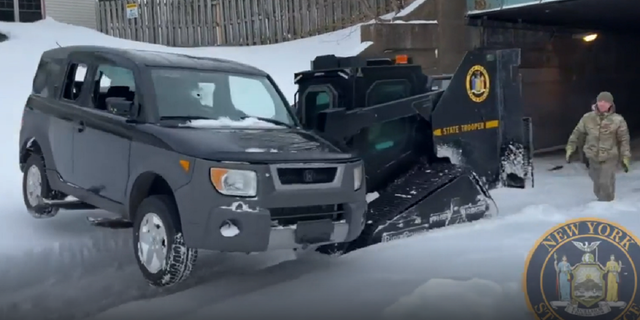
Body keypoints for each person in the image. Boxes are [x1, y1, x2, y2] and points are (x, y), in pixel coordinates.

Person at [565, 92, 631, 201]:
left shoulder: (618, 120)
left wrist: (625, 156)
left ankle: (606, 204)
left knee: (604, 181)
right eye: (600, 101)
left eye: (606, 102)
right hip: (592, 155)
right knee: (596, 182)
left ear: (611, 104)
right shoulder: (587, 118)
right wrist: (571, 147)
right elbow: (577, 133)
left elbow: (623, 139)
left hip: (609, 155)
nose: (602, 104)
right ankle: (603, 200)